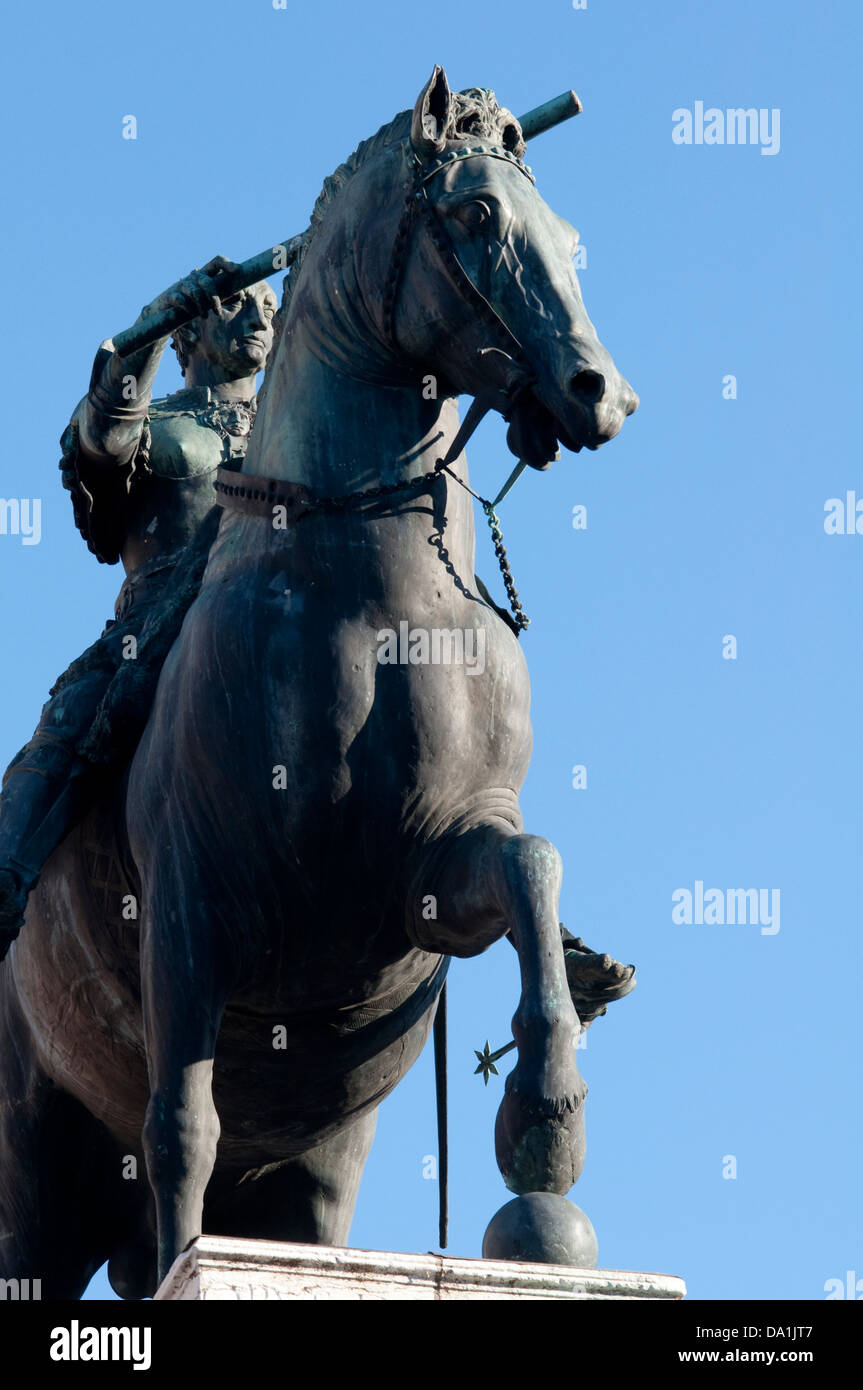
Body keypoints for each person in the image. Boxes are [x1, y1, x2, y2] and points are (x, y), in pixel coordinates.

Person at [0, 258, 278, 957]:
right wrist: (150, 326)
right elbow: (107, 437)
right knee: (71, 721)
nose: (259, 321)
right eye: (238, 306)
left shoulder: (298, 429)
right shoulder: (158, 420)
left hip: (283, 611)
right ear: (190, 336)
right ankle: (7, 872)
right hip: (157, 619)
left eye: (270, 312)